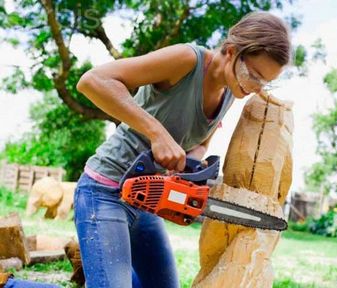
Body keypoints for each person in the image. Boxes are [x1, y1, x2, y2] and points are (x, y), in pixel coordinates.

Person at [74, 11, 291, 288]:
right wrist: (157, 133)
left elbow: (199, 143)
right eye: (254, 75)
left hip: (144, 203)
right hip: (104, 191)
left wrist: (190, 168)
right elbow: (92, 81)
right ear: (231, 51)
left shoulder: (230, 92)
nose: (254, 88)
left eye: (264, 83)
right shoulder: (187, 59)